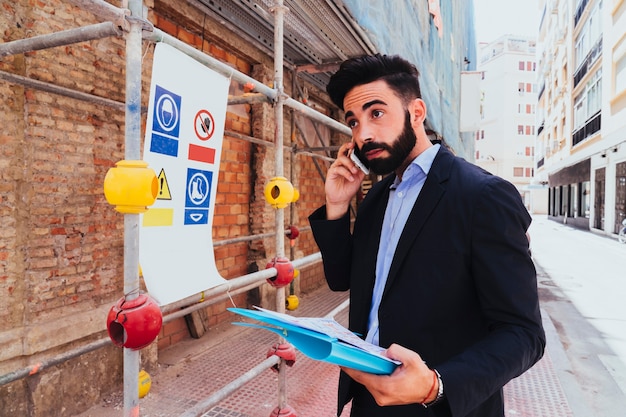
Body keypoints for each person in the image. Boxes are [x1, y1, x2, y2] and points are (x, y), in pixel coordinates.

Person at [308, 54, 545, 417]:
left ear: (416, 112)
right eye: (353, 122)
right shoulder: (376, 199)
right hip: (369, 401)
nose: (363, 134)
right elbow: (342, 279)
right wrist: (337, 205)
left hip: (440, 407)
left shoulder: (482, 196)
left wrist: (437, 386)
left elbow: (524, 333)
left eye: (376, 113)